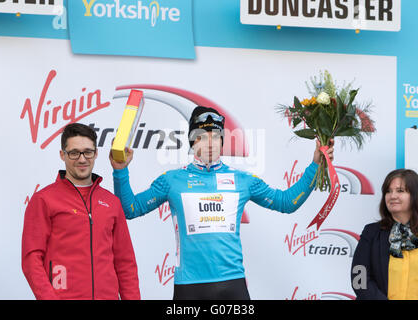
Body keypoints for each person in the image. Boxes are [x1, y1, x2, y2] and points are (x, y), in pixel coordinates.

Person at [110, 106, 334, 300]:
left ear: (222, 141)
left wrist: (315, 165)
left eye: (215, 137)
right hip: (189, 287)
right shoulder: (172, 180)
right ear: (192, 141)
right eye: (201, 136)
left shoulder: (242, 180)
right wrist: (120, 172)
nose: (209, 143)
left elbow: (286, 202)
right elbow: (129, 209)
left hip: (232, 285)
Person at [22, 123, 140, 300]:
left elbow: (125, 263)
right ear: (62, 155)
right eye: (74, 153)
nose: (82, 159)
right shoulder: (43, 200)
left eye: (87, 152)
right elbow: (31, 259)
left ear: (96, 153)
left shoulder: (111, 202)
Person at [351, 169, 418, 300]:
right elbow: (359, 279)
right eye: (388, 191)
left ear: (415, 196)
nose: (392, 196)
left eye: (400, 191)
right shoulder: (371, 233)